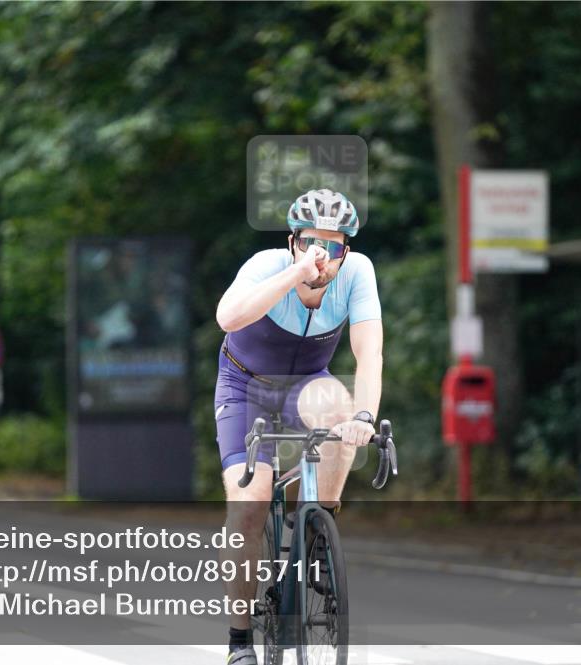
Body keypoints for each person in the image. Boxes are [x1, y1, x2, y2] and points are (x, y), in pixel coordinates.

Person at [214, 189, 382, 664]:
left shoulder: (357, 272)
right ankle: (239, 640)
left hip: (306, 384)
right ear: (292, 242)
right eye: (310, 243)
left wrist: (364, 418)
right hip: (244, 385)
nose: (321, 255)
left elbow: (369, 353)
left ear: (346, 250)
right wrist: (295, 273)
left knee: (340, 408)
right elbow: (227, 317)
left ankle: (315, 531)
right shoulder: (267, 265)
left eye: (332, 246)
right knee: (249, 505)